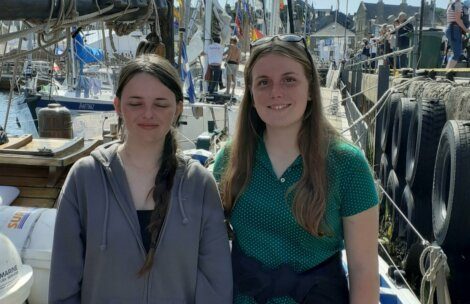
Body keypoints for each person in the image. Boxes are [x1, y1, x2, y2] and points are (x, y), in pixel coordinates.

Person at [49, 55, 232, 303]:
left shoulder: (199, 184)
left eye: (160, 104)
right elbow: (64, 283)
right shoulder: (85, 179)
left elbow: (216, 285)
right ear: (117, 106)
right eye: (136, 103)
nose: (148, 113)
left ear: (178, 109)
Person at [213, 35, 379, 304]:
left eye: (289, 80)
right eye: (263, 82)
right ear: (251, 95)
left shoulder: (348, 166)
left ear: (311, 89)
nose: (276, 92)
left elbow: (364, 273)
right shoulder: (230, 159)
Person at [446, 0, 470, 68]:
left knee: (456, 53)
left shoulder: (452, 4)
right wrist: (465, 29)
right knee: (457, 54)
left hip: (452, 29)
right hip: (454, 29)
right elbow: (458, 19)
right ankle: (447, 73)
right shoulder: (458, 4)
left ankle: (446, 73)